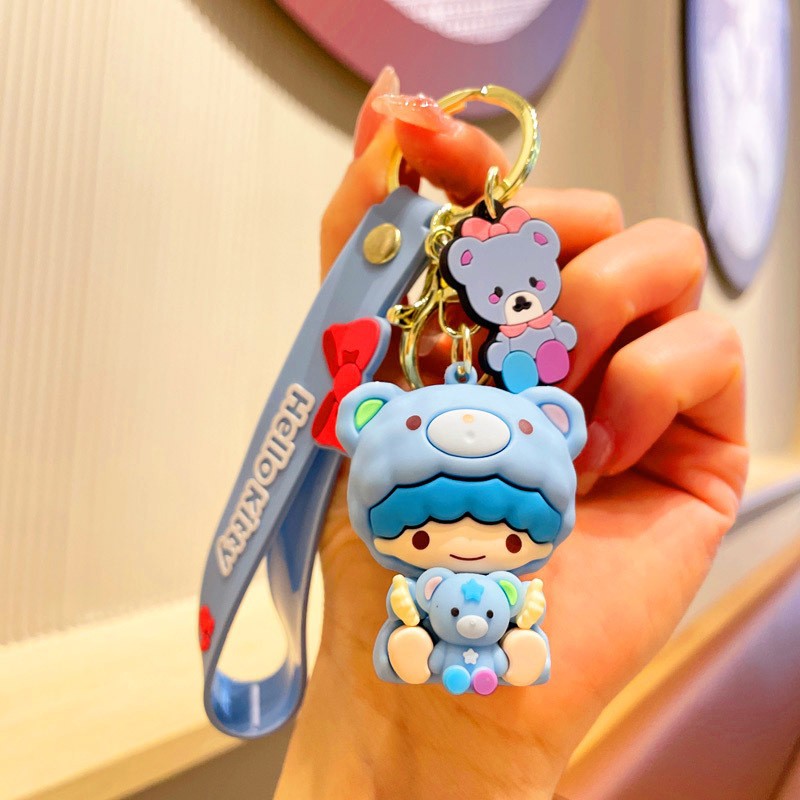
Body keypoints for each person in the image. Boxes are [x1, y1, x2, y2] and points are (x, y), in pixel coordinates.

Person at [274, 67, 748, 800]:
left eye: (511, 531)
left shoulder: (507, 577)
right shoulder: (418, 576)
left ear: (559, 426)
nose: (464, 543)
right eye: (422, 535)